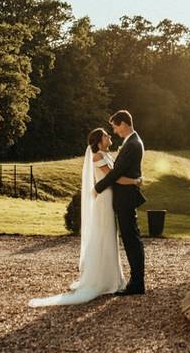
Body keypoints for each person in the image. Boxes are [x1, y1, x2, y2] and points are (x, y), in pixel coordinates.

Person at [28, 127, 141, 307]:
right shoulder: (98, 157)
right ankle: (101, 279)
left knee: (109, 236)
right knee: (104, 236)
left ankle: (111, 277)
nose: (109, 136)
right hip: (104, 200)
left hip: (110, 198)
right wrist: (136, 180)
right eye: (105, 135)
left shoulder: (107, 155)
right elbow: (115, 178)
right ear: (98, 141)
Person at [94, 109, 146, 295]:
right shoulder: (131, 142)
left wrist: (98, 187)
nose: (114, 131)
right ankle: (137, 280)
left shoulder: (132, 144)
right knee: (132, 238)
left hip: (125, 198)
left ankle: (137, 283)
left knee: (131, 239)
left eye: (115, 127)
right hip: (125, 196)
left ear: (123, 124)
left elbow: (116, 173)